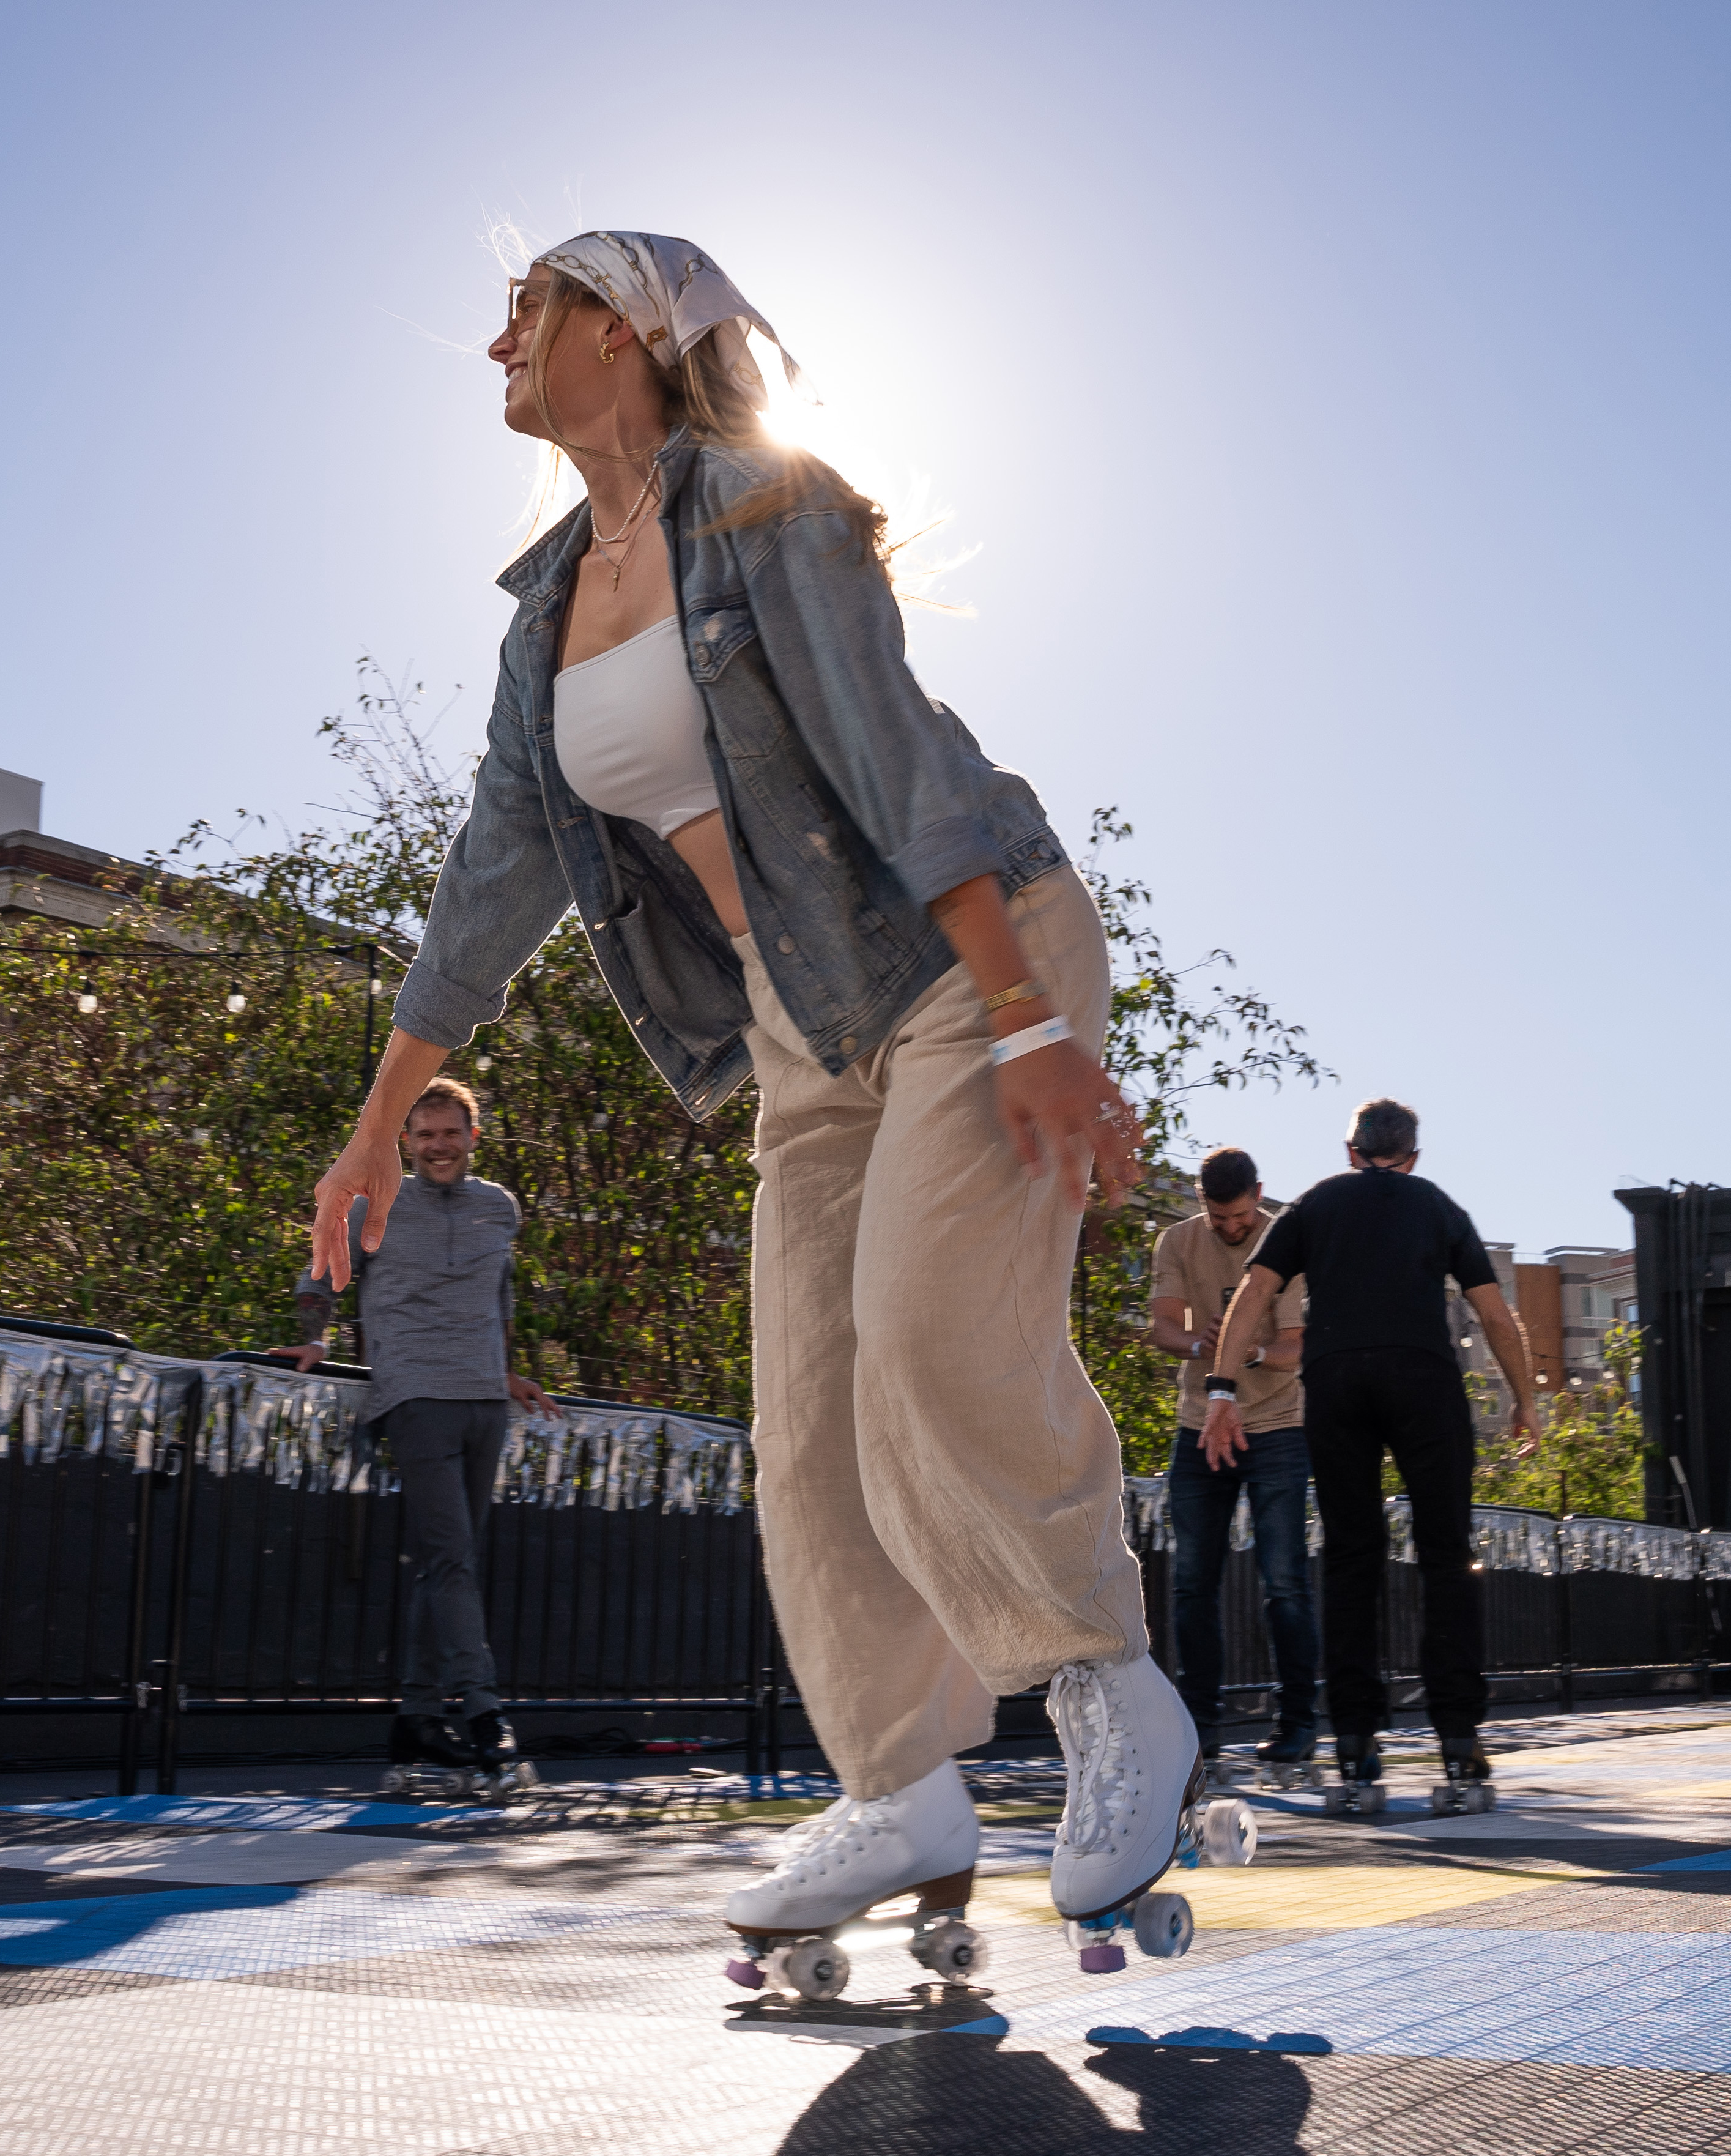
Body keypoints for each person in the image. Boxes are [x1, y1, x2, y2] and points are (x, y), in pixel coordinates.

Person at [306, 231, 1203, 1961]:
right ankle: (900, 1791)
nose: (498, 326)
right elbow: (490, 881)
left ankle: (1107, 1687)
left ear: (632, 330)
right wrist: (370, 1125)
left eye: (534, 298)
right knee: (803, 1424)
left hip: (966, 958)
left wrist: (1025, 1025)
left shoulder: (762, 505)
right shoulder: (544, 610)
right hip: (803, 1030)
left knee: (930, 1336)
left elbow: (897, 763)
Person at [1200, 1098, 1538, 1797]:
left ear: (1350, 1151)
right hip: (1423, 1378)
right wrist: (1525, 1401)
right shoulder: (1437, 1205)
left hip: (1337, 1380)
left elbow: (1254, 1291)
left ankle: (1354, 1745)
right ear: (1412, 1155)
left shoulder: (1314, 1205)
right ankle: (1458, 1743)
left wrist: (1221, 1391)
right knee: (1446, 1552)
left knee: (1352, 1556)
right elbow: (1494, 1313)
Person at [278, 1076, 557, 1785]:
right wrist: (315, 1339)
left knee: (447, 1565)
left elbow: (500, 1296)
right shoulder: (374, 1202)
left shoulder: (500, 1208)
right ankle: (486, 1715)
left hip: (483, 1401)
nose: (438, 1145)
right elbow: (320, 1271)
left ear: (472, 1137)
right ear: (406, 1141)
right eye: (425, 1134)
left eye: (450, 1132)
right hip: (414, 1396)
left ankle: (417, 1723)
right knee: (453, 1557)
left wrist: (509, 1373)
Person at [1147, 1146, 1317, 1777]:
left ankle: (1297, 1723)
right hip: (1198, 1427)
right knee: (1193, 1582)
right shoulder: (1176, 1242)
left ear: (1259, 1195)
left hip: (1274, 1425)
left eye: (1240, 1216)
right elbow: (1163, 1327)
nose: (1231, 1229)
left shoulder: (1286, 1238)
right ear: (1202, 1203)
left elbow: (1296, 1344)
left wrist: (1236, 1356)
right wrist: (1204, 1345)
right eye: (1218, 1219)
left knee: (1284, 1582)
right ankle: (1199, 1728)